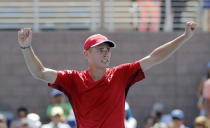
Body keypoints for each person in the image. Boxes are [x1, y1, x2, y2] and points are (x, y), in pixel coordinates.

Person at [17, 21, 196, 128]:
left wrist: (185, 37)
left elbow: (154, 57)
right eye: (100, 49)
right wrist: (26, 48)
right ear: (86, 54)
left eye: (108, 50)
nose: (106, 53)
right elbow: (39, 72)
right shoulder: (73, 79)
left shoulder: (121, 74)